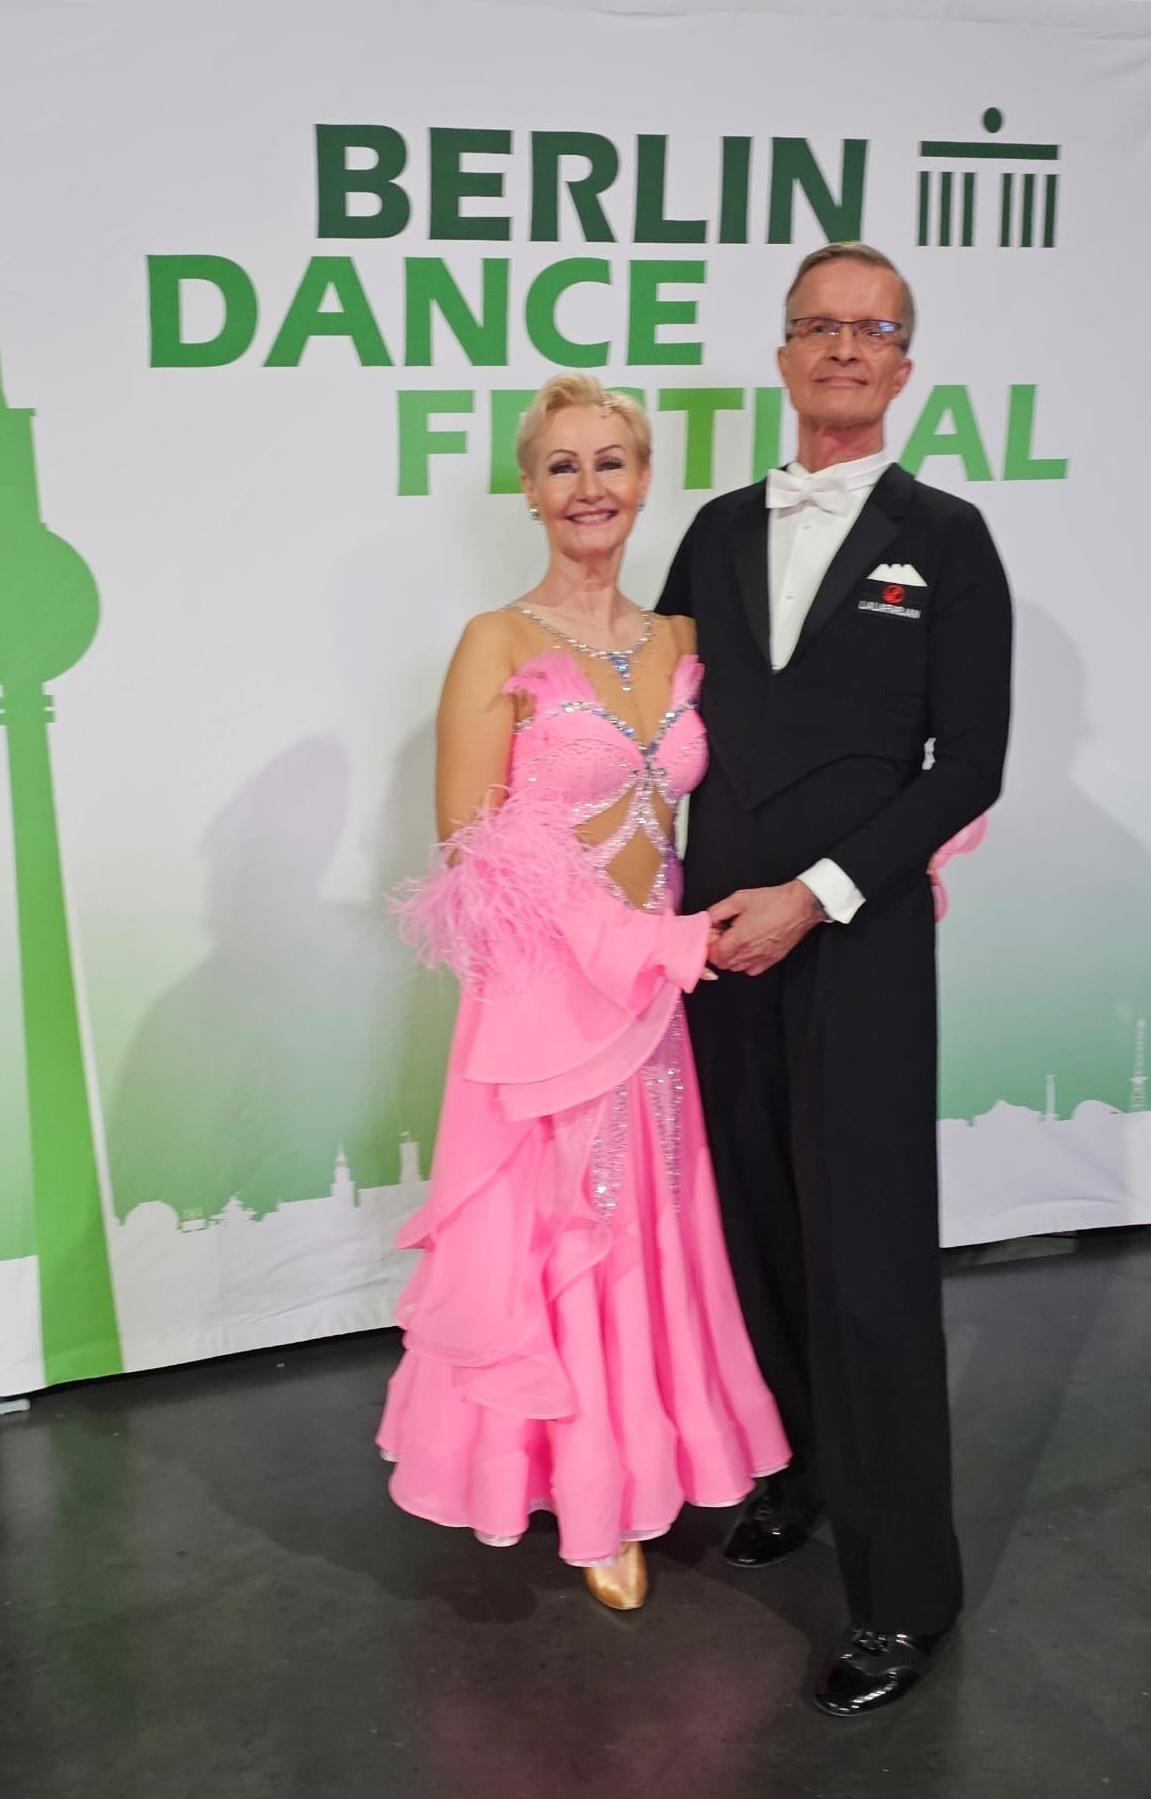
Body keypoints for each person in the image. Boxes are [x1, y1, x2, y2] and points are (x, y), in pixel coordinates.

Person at [656, 243, 1012, 1715]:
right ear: (784, 355)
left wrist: (813, 894)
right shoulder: (713, 528)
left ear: (902, 364)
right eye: (819, 324)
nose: (844, 347)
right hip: (713, 939)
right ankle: (796, 1470)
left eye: (872, 328)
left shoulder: (948, 537)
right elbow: (656, 725)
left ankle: (903, 1593)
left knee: (865, 1260)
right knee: (754, 1226)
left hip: (853, 939)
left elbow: (968, 765)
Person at [378, 373, 790, 1611]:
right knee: (561, 1231)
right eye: (562, 465)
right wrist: (628, 942)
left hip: (655, 1000)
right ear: (527, 488)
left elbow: (762, 776)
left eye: (609, 461)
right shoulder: (494, 640)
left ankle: (646, 1459)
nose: (588, 486)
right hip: (547, 1001)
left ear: (643, 479)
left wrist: (875, 855)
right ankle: (581, 1496)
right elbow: (470, 843)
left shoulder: (680, 641)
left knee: (647, 1220)